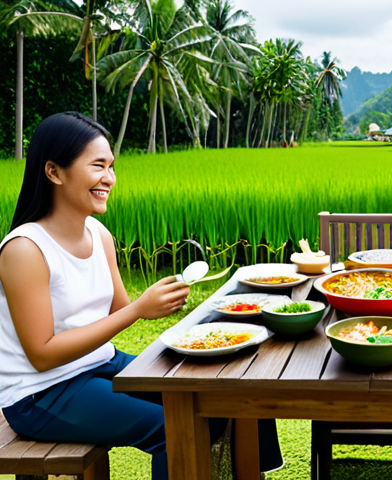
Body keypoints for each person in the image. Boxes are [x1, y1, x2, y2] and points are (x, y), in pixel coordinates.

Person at [0, 112, 282, 480]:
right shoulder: (25, 249)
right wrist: (138, 309)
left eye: (112, 167)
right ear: (54, 172)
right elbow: (42, 354)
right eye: (98, 166)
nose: (109, 178)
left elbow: (119, 309)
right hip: (42, 392)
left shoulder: (98, 234)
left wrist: (160, 301)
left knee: (222, 391)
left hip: (100, 365)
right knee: (171, 427)